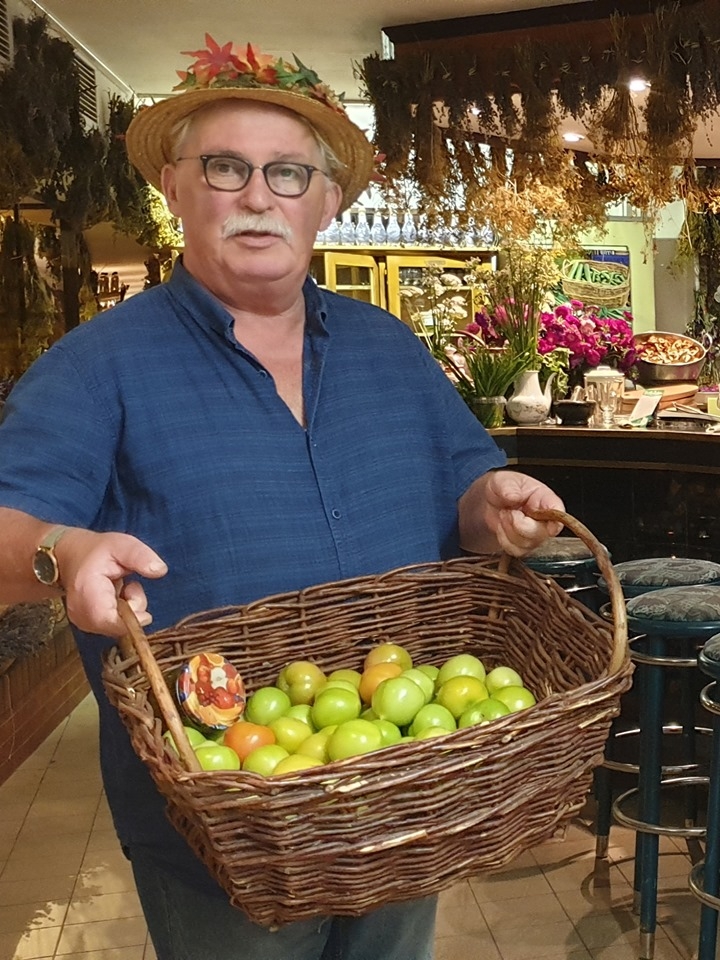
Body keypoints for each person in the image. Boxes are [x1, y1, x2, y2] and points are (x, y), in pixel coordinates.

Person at [0, 37, 565, 960]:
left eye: (289, 174)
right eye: (227, 167)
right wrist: (62, 554)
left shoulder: (389, 348)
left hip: (400, 779)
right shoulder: (96, 367)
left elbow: (466, 487)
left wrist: (490, 504)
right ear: (175, 189)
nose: (258, 196)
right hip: (226, 820)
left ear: (329, 203)